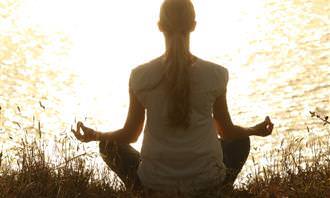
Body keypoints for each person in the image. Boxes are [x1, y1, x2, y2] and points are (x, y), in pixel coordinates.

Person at [72, 0, 274, 196]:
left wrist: (96, 135)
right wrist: (254, 130)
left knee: (108, 145)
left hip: (155, 182)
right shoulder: (216, 74)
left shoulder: (140, 76)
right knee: (240, 141)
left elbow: (130, 134)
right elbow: (227, 132)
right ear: (193, 26)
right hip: (206, 180)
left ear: (160, 26)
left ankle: (146, 193)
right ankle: (216, 190)